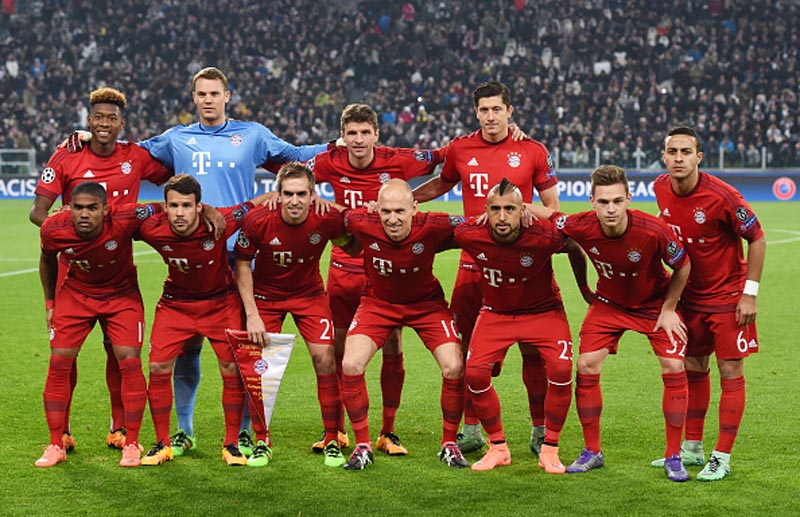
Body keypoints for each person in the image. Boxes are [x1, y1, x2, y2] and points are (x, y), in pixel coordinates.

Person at [134, 66, 330, 456]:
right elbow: (129, 155)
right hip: (193, 255)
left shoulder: (252, 134)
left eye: (214, 93)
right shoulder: (176, 138)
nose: (208, 100)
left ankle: (242, 432)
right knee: (187, 348)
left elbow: (295, 155)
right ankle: (185, 430)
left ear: (227, 96)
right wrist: (88, 139)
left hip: (240, 255)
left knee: (241, 351)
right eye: (201, 94)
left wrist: (339, 145)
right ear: (194, 99)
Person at [412, 80, 560, 455]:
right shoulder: (461, 148)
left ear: (510, 111)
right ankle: (473, 428)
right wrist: (404, 200)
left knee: (532, 351)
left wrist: (528, 211)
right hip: (473, 266)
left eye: (497, 109)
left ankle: (540, 428)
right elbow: (441, 185)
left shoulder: (532, 150)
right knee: (466, 353)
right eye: (484, 110)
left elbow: (553, 211)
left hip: (524, 267)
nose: (490, 116)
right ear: (476, 112)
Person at [527, 165, 693, 482]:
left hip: (653, 303)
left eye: (617, 201)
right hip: (609, 303)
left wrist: (670, 308)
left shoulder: (653, 229)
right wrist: (521, 207)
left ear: (629, 198)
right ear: (592, 202)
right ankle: (593, 451)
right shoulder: (580, 224)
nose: (611, 209)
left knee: (674, 366)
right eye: (603, 202)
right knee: (586, 364)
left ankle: (674, 456)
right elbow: (550, 217)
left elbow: (683, 266)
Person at [30, 87, 171, 453]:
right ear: (88, 121)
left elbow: (171, 175)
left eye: (111, 119)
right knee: (64, 354)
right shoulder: (66, 155)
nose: (104, 124)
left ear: (121, 124)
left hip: (118, 272)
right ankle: (61, 432)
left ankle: (119, 425)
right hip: (72, 273)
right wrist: (70, 231)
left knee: (118, 353)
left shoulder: (135, 157)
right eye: (98, 118)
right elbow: (37, 213)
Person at [304, 103, 447, 455]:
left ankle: (387, 430)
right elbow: (295, 175)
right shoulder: (328, 161)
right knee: (340, 353)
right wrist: (336, 210)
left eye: (365, 132)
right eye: (351, 133)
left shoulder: (397, 160)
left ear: (376, 134)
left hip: (385, 272)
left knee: (393, 348)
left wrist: (413, 197)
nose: (358, 140)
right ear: (342, 135)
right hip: (342, 268)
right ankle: (336, 430)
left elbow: (447, 156)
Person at [652, 126, 765, 481]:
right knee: (693, 369)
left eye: (686, 152)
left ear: (699, 157)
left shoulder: (722, 196)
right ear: (665, 156)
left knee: (730, 373)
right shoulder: (659, 188)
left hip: (729, 298)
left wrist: (750, 293)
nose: (679, 158)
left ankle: (722, 456)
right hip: (690, 299)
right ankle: (693, 448)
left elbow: (757, 239)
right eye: (673, 152)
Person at [454, 179, 589, 473]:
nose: (502, 217)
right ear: (485, 211)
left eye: (510, 209)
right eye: (496, 209)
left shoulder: (544, 235)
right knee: (475, 373)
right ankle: (498, 447)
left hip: (543, 311)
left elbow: (576, 243)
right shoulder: (469, 233)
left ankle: (550, 448)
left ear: (522, 210)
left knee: (561, 370)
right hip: (496, 313)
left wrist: (585, 289)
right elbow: (430, 233)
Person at [135, 174, 267, 467]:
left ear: (198, 206)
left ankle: (231, 443)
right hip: (176, 304)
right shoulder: (152, 229)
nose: (179, 213)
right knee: (157, 366)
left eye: (186, 205)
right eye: (173, 206)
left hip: (221, 303)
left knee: (231, 367)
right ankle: (162, 443)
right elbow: (120, 216)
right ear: (166, 207)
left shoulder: (219, 221)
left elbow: (257, 203)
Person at [234, 163, 358, 468]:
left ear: (312, 194)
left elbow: (351, 247)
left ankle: (332, 438)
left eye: (302, 194)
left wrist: (341, 213)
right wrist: (252, 314)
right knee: (259, 366)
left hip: (310, 295)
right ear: (277, 194)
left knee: (326, 359)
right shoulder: (258, 220)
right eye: (287, 194)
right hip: (266, 297)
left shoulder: (326, 218)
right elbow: (240, 264)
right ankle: (262, 441)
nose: (294, 201)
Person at [338, 179, 468, 470]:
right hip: (378, 304)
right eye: (386, 212)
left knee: (455, 366)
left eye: (400, 211)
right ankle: (362, 446)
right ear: (377, 210)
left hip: (426, 305)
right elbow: (332, 217)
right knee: (351, 364)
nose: (393, 219)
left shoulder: (434, 224)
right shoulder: (362, 221)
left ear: (414, 208)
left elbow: (477, 224)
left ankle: (449, 443)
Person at [36, 181, 158, 468]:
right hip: (76, 295)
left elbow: (162, 208)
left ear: (106, 209)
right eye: (79, 208)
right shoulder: (54, 228)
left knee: (129, 362)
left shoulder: (126, 217)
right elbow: (47, 260)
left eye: (92, 208)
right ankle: (56, 443)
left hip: (122, 297)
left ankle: (131, 442)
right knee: (59, 362)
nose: (85, 214)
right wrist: (50, 303)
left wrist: (210, 214)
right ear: (70, 208)